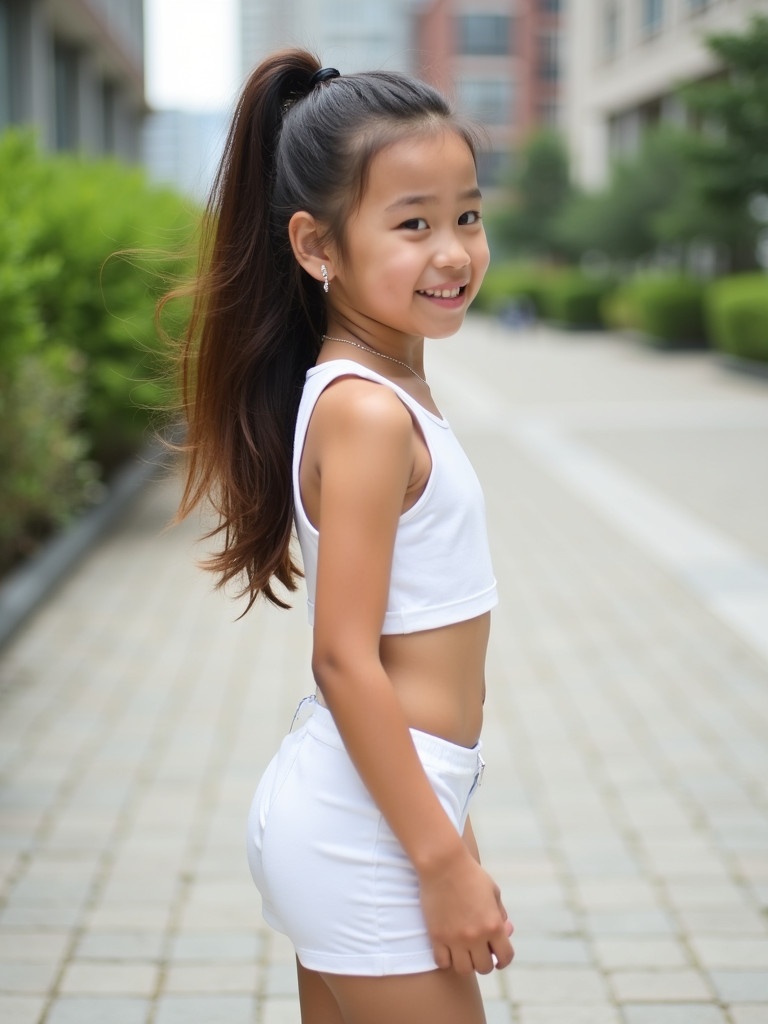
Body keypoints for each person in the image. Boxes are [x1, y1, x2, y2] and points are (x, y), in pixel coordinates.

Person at [173, 48, 514, 1024]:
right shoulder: (365, 412)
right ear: (318, 248)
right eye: (413, 224)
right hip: (366, 831)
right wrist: (441, 859)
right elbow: (343, 658)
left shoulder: (387, 389)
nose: (452, 251)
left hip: (378, 808)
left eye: (468, 215)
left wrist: (453, 830)